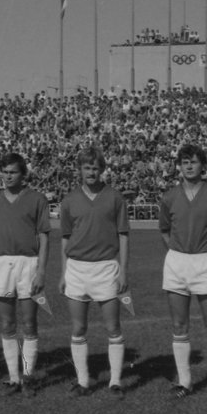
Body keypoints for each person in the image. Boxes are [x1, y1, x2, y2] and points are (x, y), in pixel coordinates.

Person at [159, 144, 207, 400]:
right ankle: (185, 381)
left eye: (194, 161)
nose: (189, 166)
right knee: (179, 324)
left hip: (205, 263)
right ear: (179, 166)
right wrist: (177, 252)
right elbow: (164, 230)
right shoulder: (169, 196)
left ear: (203, 165)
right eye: (184, 162)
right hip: (177, 263)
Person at [59, 147, 130, 398]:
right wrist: (63, 272)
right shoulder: (69, 200)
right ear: (79, 170)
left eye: (95, 168)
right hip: (77, 269)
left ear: (102, 170)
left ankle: (116, 381)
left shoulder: (115, 197)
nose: (91, 172)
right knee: (78, 328)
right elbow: (65, 239)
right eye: (87, 167)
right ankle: (83, 381)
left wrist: (123, 271)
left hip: (106, 267)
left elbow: (123, 236)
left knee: (113, 326)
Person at [0, 153, 50, 396]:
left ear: (23, 175)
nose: (8, 176)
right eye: (4, 171)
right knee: (7, 323)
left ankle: (28, 376)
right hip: (1, 264)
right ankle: (13, 378)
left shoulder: (37, 199)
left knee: (30, 323)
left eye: (13, 172)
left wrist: (41, 271)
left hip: (28, 263)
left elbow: (43, 236)